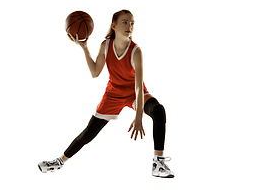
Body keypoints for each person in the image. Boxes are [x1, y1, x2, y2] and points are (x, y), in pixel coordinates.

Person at [38, 10, 174, 178]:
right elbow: (95, 72)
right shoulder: (106, 45)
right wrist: (85, 48)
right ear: (113, 25)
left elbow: (139, 87)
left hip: (134, 93)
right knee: (89, 132)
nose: (129, 26)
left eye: (132, 23)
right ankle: (58, 162)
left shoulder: (136, 51)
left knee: (159, 110)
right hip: (113, 94)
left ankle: (158, 163)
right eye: (125, 22)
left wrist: (139, 115)